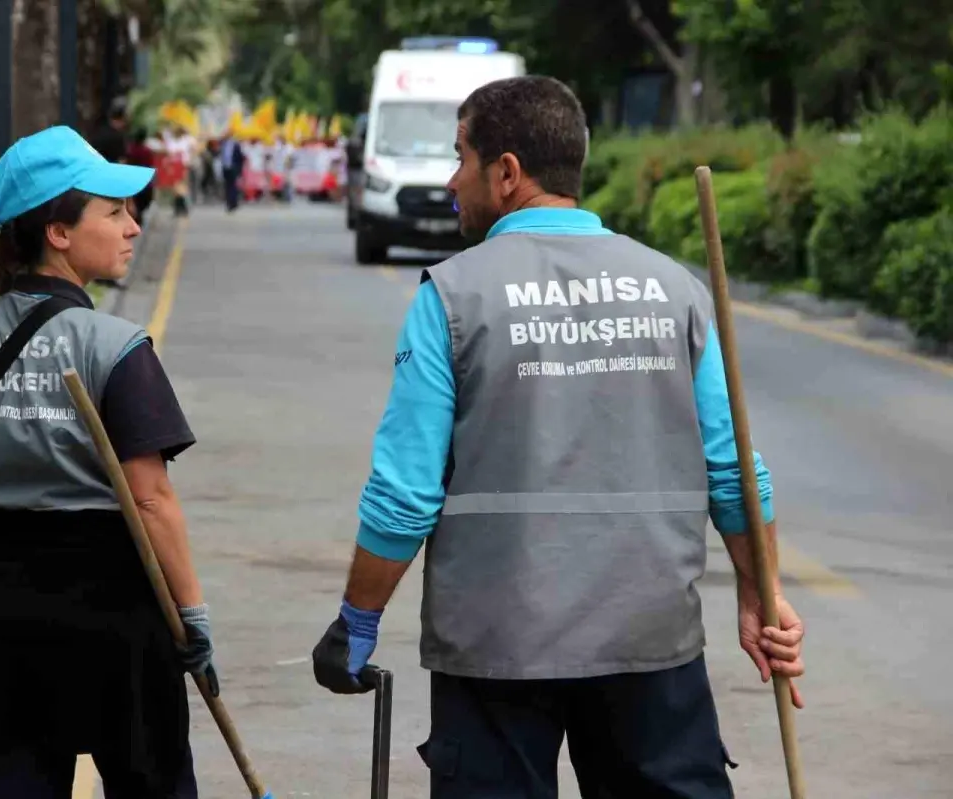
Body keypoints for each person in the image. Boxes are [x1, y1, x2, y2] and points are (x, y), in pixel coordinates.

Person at [311, 76, 806, 798]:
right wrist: (762, 593)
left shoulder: (453, 295)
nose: (450, 180)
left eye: (460, 158)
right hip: (649, 641)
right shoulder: (674, 289)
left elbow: (403, 495)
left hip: (496, 649)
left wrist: (358, 618)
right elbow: (734, 472)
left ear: (506, 173)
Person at [0, 125, 216, 799]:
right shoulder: (117, 346)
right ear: (59, 233)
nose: (132, 227)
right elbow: (152, 500)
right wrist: (192, 615)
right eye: (114, 212)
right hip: (116, 616)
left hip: (1, 615)